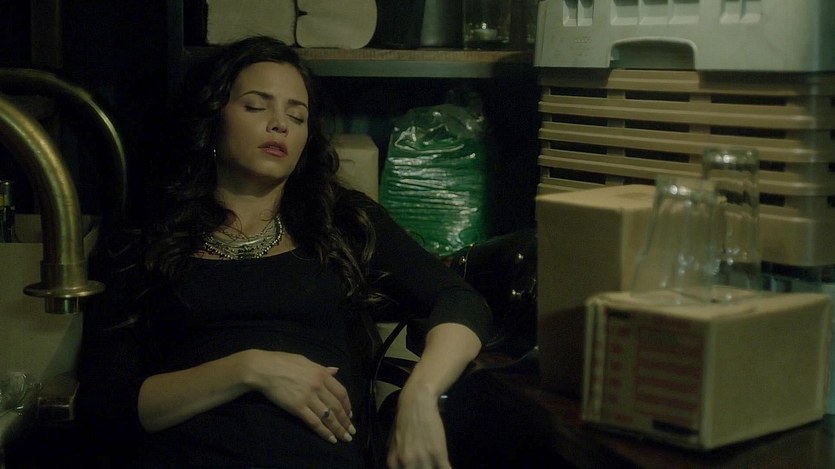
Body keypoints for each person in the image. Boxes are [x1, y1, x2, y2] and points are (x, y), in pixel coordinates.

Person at [76, 35, 494, 469]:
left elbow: (461, 302)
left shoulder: (342, 221)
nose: (280, 124)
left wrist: (420, 395)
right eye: (256, 107)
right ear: (213, 117)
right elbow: (106, 404)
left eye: (297, 116)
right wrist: (249, 370)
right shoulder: (146, 235)